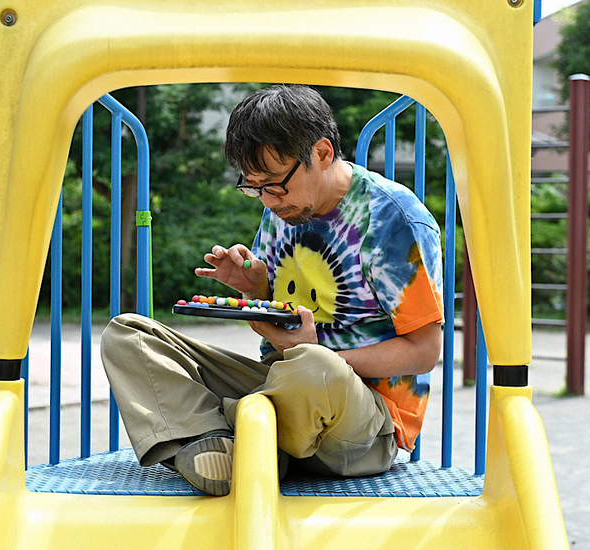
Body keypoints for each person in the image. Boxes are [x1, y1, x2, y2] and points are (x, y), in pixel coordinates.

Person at [101, 84, 444, 496]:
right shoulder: (285, 207)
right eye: (254, 187)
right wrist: (255, 289)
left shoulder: (392, 219)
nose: (267, 201)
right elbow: (281, 325)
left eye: (274, 185)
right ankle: (224, 442)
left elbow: (424, 352)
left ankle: (225, 434)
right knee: (128, 335)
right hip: (282, 388)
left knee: (315, 367)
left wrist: (314, 352)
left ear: (322, 153)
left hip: (364, 422)